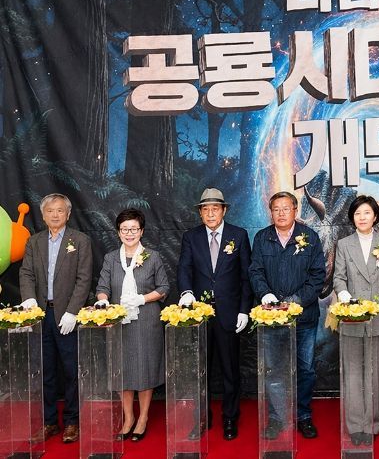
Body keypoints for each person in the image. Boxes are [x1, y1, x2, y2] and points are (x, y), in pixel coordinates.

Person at [177, 188, 252, 441]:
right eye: (205, 209)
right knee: (200, 369)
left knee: (230, 370)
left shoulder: (238, 235)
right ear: (200, 213)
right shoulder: (191, 237)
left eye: (215, 209)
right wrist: (187, 292)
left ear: (224, 210)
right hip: (199, 314)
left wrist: (243, 310)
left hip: (230, 314)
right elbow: (184, 268)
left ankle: (230, 417)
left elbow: (246, 276)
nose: (210, 213)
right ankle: (202, 417)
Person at [250, 191, 326, 439]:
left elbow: (318, 277)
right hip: (271, 318)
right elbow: (255, 271)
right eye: (276, 209)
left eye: (286, 208)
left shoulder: (310, 237)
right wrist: (265, 294)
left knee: (305, 369)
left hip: (304, 318)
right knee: (274, 369)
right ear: (270, 212)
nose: (281, 213)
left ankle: (303, 416)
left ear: (295, 210)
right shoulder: (262, 238)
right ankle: (276, 417)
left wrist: (294, 302)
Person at [18, 193, 93, 443]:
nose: (55, 214)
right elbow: (26, 273)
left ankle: (72, 421)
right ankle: (49, 421)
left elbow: (84, 278)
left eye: (60, 210)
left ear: (68, 214)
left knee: (71, 371)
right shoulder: (34, 241)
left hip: (67, 316)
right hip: (41, 314)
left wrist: (73, 311)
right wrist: (29, 299)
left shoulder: (80, 240)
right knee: (45, 370)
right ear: (43, 215)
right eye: (50, 210)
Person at [94, 208, 169, 441]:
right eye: (125, 229)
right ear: (118, 232)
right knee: (122, 370)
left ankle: (143, 417)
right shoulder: (110, 258)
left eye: (134, 229)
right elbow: (102, 287)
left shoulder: (152, 256)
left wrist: (142, 299)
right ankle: (128, 418)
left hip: (146, 321)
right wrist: (103, 301)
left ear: (141, 231)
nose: (129, 233)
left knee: (145, 369)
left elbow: (164, 288)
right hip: (119, 322)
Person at [332, 195, 379, 445]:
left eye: (367, 213)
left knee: (374, 373)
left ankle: (371, 424)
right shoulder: (344, 244)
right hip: (351, 316)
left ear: (375, 217)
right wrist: (343, 293)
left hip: (378, 317)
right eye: (357, 213)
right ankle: (354, 425)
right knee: (352, 373)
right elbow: (338, 277)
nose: (362, 217)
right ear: (352, 217)